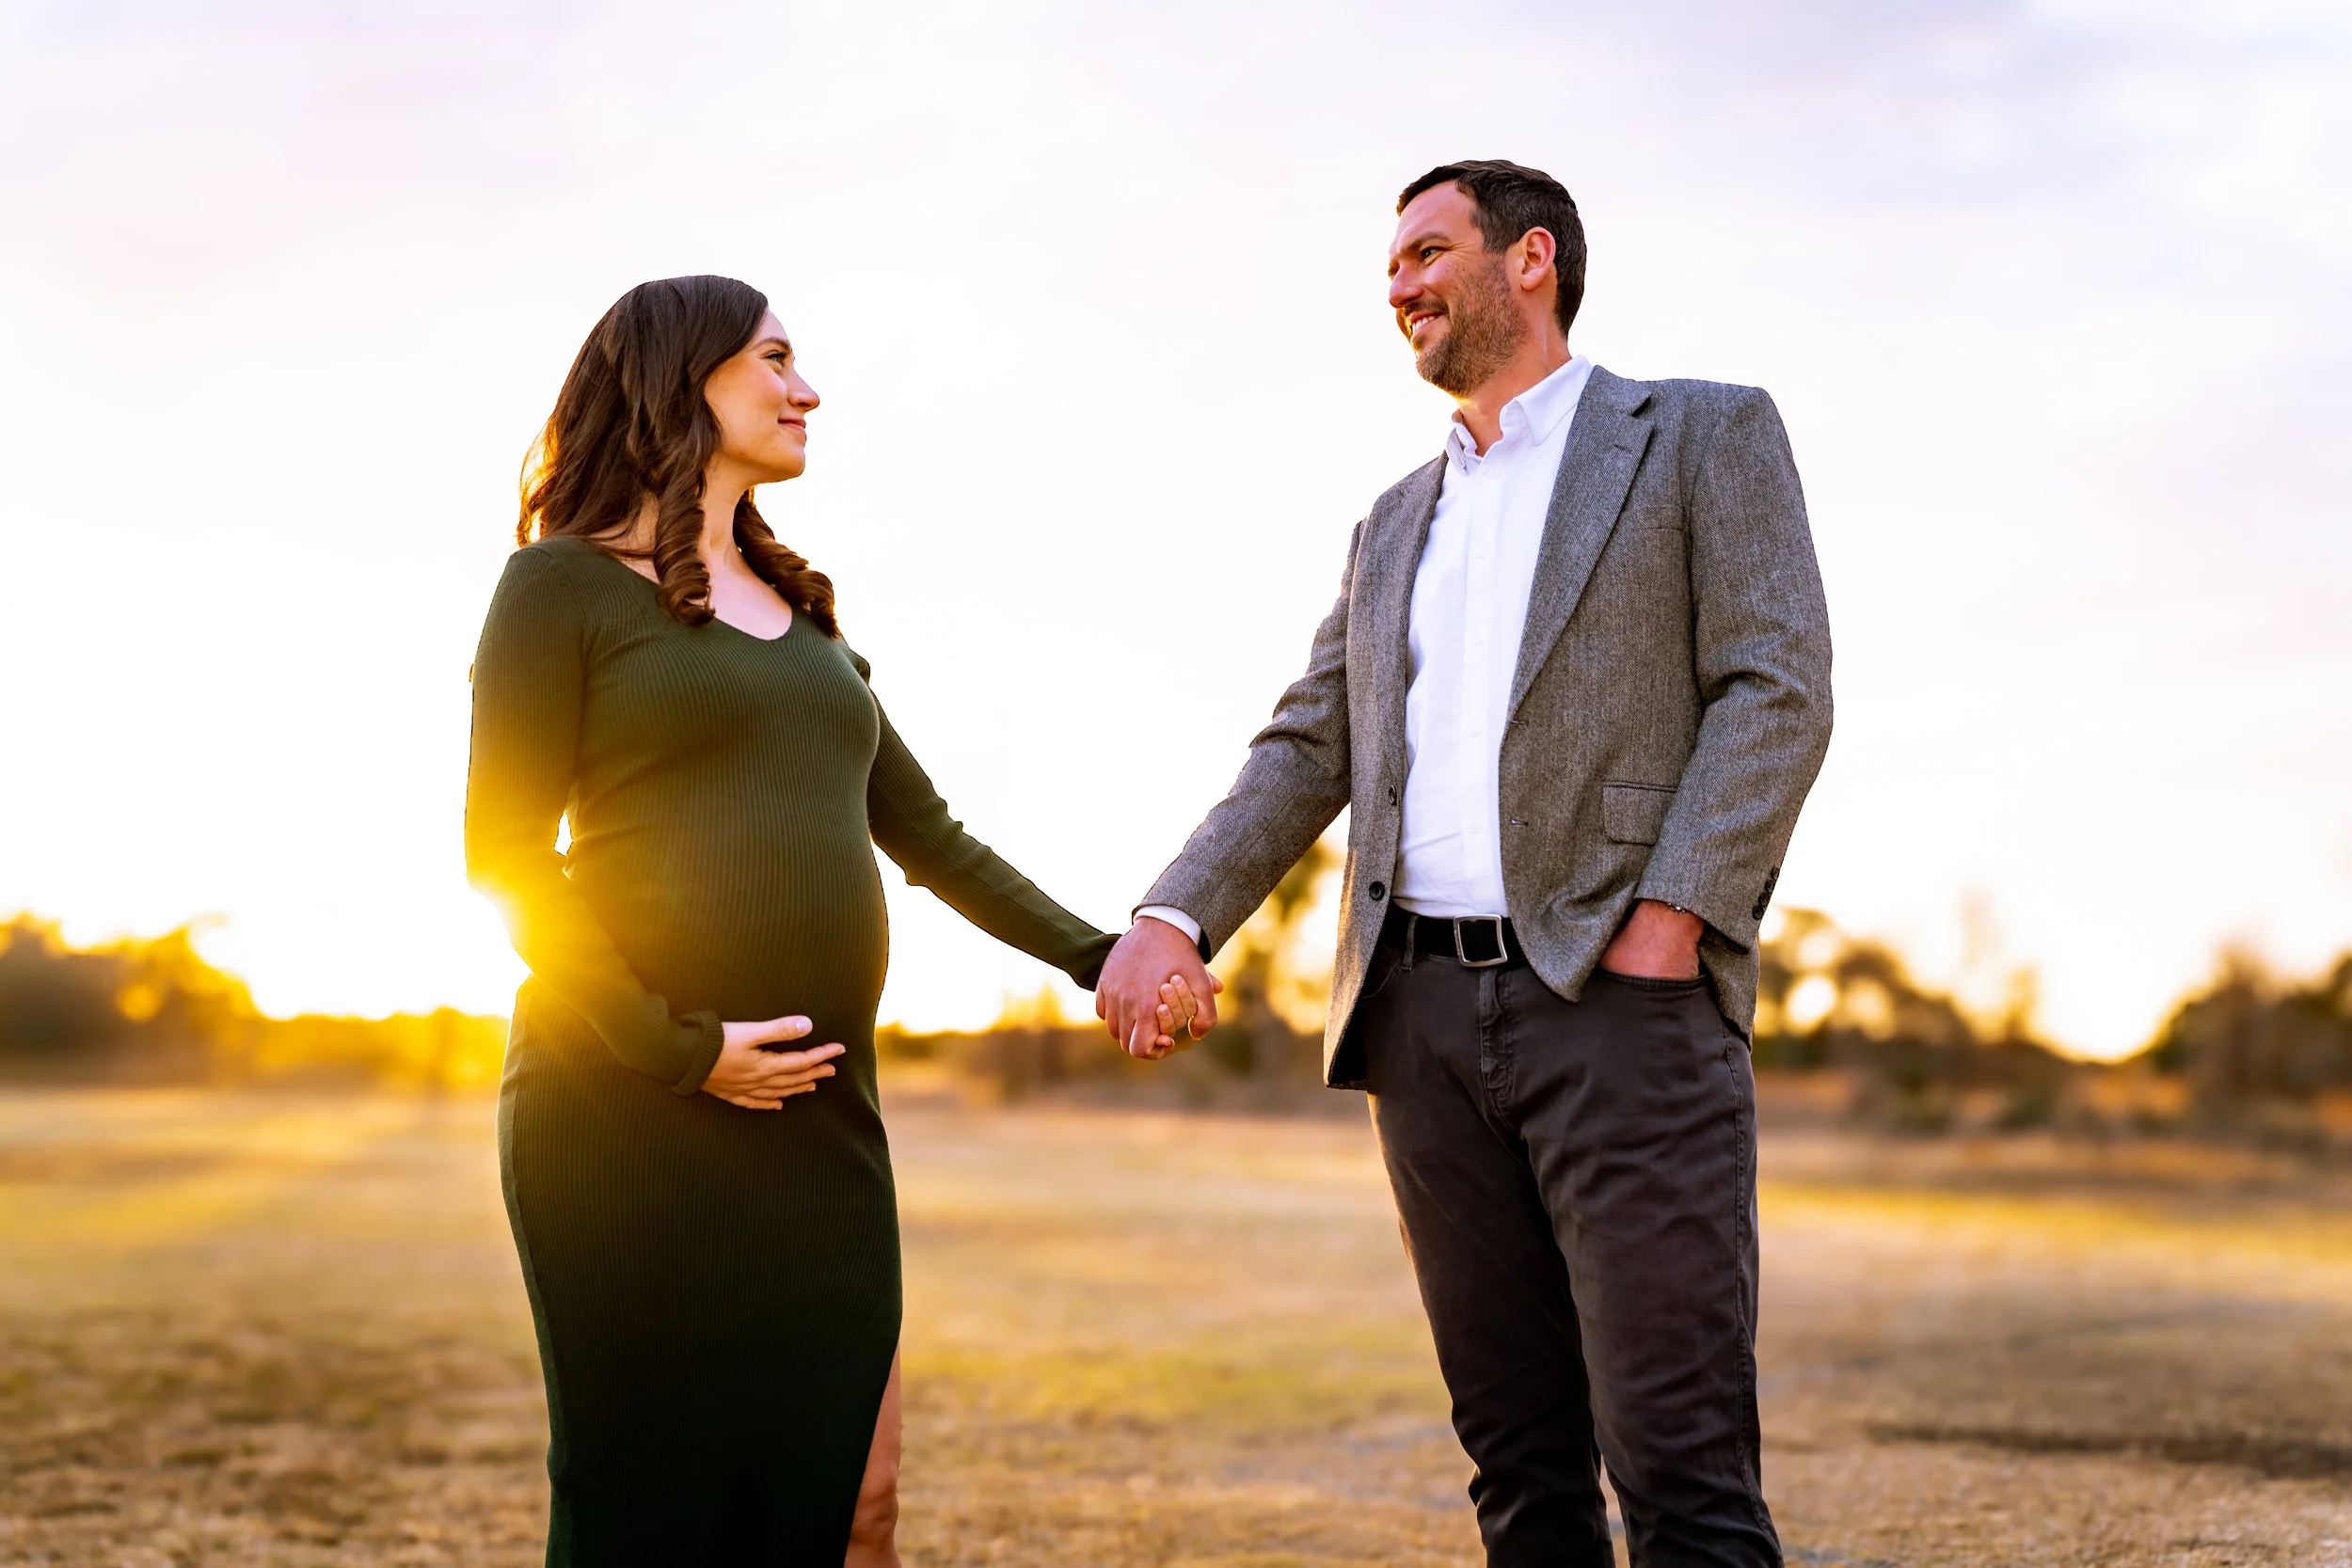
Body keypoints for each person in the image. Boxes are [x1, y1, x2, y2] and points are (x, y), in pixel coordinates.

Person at [1099, 161, 1834, 1566]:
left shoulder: (1698, 436)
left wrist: (1670, 917)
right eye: (1389, 268)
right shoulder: (1390, 521)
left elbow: (1777, 685)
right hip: (1422, 1028)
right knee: (1519, 1469)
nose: (1399, 287)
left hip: (1623, 1009)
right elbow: (1307, 745)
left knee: (1679, 1470)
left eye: (1427, 252)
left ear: (1532, 260)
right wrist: (1174, 911)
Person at [466, 275, 1122, 1567]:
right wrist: (680, 1047)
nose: (805, 388)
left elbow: (931, 835)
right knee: (645, 1511)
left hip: (821, 1123)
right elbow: (503, 856)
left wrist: (1105, 956)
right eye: (774, 358)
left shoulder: (811, 621)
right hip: (625, 1108)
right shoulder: (557, 590)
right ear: (680, 378)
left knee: (850, 1504)